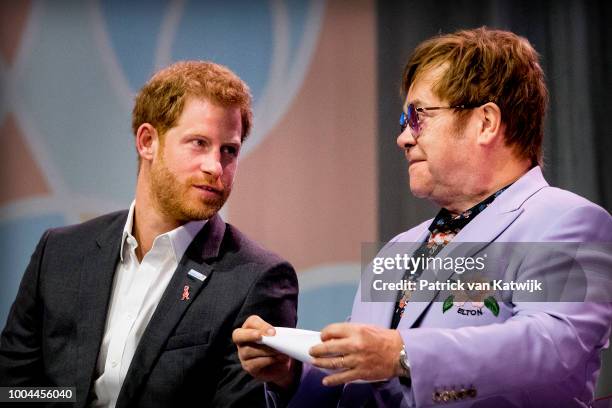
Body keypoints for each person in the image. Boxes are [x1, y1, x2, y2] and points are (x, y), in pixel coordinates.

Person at [233, 27, 612, 407]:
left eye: (419, 116)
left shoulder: (568, 221)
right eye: (404, 121)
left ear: (486, 122)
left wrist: (401, 353)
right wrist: (290, 374)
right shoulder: (397, 249)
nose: (403, 138)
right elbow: (361, 389)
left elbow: (552, 347)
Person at [0, 61, 298, 407]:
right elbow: (14, 388)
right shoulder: (61, 252)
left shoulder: (256, 279)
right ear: (147, 142)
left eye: (228, 150)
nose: (215, 167)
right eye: (199, 143)